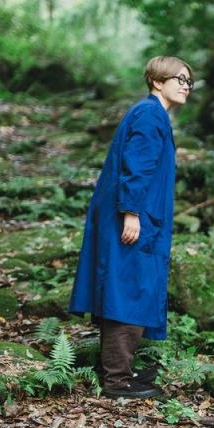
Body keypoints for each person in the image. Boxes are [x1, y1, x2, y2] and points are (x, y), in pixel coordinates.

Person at [68, 55, 193, 398]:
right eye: (179, 79)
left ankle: (122, 373)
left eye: (189, 82)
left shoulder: (153, 115)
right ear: (157, 81)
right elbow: (135, 166)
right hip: (133, 216)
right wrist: (132, 212)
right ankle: (117, 382)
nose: (185, 86)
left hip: (142, 215)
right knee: (128, 290)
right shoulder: (150, 114)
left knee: (132, 288)